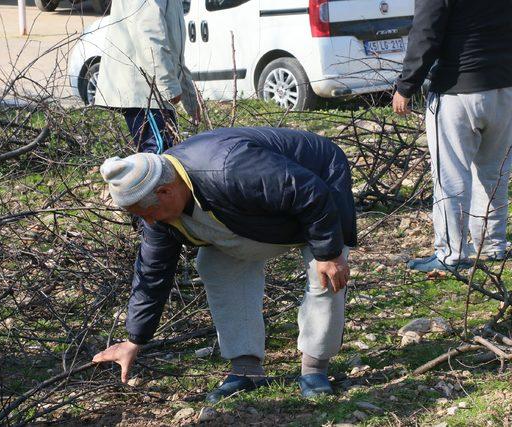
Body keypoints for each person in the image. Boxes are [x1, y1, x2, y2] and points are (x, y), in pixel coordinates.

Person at [92, 127, 357, 401]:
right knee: (216, 264)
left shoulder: (230, 169)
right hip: (262, 208)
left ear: (166, 190)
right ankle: (246, 371)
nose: (149, 222)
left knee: (324, 271)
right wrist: (135, 339)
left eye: (148, 213)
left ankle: (315, 369)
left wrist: (328, 252)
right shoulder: (159, 213)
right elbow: (152, 273)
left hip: (319, 180)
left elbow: (308, 191)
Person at [393, 0, 512, 272]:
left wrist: (406, 85)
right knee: (494, 173)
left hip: (457, 90)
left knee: (451, 176)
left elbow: (426, 32)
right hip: (504, 88)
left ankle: (451, 254)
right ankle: (492, 244)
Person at [94, 0, 198, 154]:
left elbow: (175, 53)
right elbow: (150, 39)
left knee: (167, 154)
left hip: (154, 90)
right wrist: (168, 87)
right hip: (144, 91)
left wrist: (191, 100)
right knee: (159, 155)